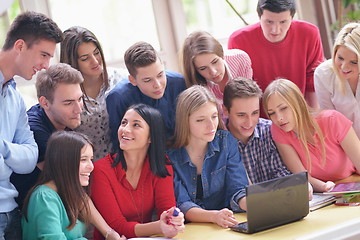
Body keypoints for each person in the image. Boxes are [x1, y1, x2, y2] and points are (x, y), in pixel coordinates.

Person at [0, 11, 62, 239]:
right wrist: (11, 158)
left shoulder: (15, 98)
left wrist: (4, 149)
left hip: (11, 212)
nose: (45, 66)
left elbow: (28, 160)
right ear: (19, 46)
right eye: (43, 55)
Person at [91, 104, 185, 239]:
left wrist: (173, 220)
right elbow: (116, 226)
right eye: (124, 123)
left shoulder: (161, 163)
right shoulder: (101, 170)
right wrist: (160, 226)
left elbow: (166, 209)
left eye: (136, 125)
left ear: (151, 137)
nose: (125, 129)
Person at [167, 85, 248, 229]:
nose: (211, 125)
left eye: (214, 116)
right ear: (185, 121)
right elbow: (182, 204)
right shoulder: (169, 155)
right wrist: (213, 216)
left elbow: (238, 189)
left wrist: (254, 204)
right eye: (200, 120)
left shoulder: (226, 141)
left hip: (225, 224)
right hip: (189, 229)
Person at [22, 131, 125, 240]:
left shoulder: (71, 192)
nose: (91, 166)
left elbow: (84, 201)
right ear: (64, 161)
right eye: (83, 160)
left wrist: (110, 234)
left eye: (91, 159)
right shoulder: (44, 197)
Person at [228, 0, 324, 116]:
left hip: (299, 115)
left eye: (283, 22)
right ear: (259, 16)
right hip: (259, 120)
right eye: (269, 22)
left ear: (292, 17)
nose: (275, 30)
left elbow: (312, 82)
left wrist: (312, 119)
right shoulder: (238, 41)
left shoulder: (309, 34)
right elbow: (239, 92)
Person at [263, 78, 360, 193]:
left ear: (298, 103)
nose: (279, 118)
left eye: (283, 108)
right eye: (272, 113)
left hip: (353, 184)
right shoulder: (278, 130)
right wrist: (325, 187)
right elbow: (302, 177)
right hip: (323, 193)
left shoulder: (332, 120)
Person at [11, 63, 84, 209]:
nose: (78, 109)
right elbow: (72, 178)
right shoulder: (34, 131)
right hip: (21, 213)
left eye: (80, 99)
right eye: (68, 103)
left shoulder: (65, 118)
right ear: (44, 103)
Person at [60, 26, 127, 161]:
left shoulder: (120, 79)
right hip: (88, 169)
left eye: (96, 53)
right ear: (72, 62)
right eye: (85, 58)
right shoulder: (64, 92)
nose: (95, 61)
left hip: (124, 163)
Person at [106, 41, 186, 150]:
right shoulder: (118, 98)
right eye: (147, 80)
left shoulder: (180, 83)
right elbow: (119, 144)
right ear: (133, 80)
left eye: (160, 75)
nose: (157, 85)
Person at [223, 77, 290, 184]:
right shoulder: (220, 142)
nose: (249, 123)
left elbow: (281, 172)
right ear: (226, 110)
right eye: (241, 115)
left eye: (254, 113)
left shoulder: (269, 130)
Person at [181, 31, 253, 124]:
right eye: (203, 68)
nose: (213, 72)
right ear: (196, 71)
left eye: (215, 61)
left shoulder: (241, 59)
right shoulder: (198, 84)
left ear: (222, 55)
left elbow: (249, 101)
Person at [314, 22, 360, 137]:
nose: (344, 67)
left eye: (353, 62)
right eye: (340, 58)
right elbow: (330, 123)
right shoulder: (323, 74)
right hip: (345, 145)